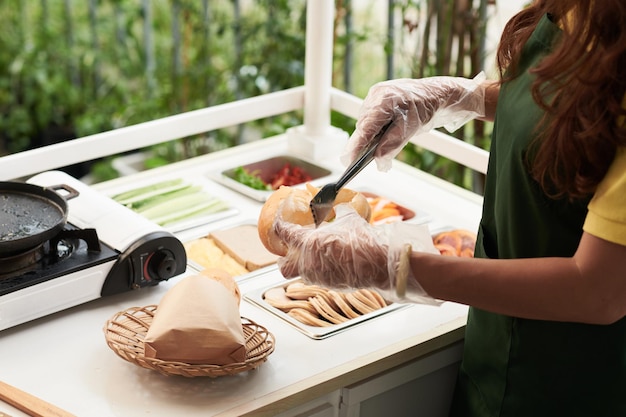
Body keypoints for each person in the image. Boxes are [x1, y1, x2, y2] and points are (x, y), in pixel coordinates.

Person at [274, 0, 626, 416]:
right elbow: (573, 109)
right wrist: (460, 97)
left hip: (575, 383)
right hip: (492, 346)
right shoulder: (575, 8)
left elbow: (598, 292)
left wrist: (394, 267)